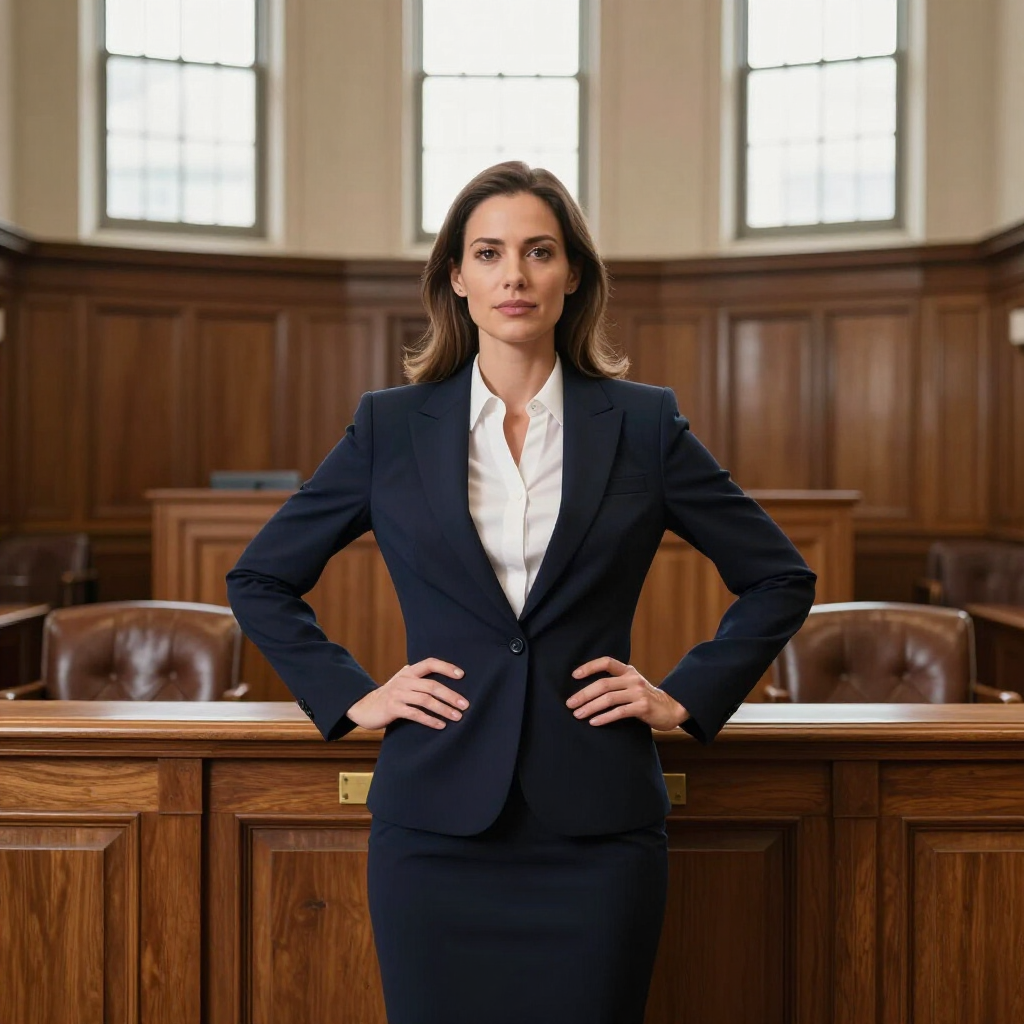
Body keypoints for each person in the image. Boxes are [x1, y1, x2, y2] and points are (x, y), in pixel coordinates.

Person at [225, 160, 817, 1024]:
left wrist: (684, 696)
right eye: (489, 253)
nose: (514, 275)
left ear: (572, 275)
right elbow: (259, 577)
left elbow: (780, 576)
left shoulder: (643, 424)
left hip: (599, 830)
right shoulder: (391, 426)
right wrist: (353, 696)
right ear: (456, 278)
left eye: (539, 251)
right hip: (433, 828)